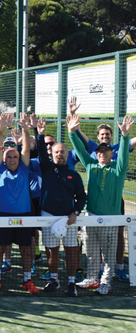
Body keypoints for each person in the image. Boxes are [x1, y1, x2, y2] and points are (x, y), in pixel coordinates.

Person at [68, 113, 131, 295]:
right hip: (90, 217)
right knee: (92, 251)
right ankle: (92, 278)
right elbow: (80, 150)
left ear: (112, 153)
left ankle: (106, 283)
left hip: (110, 220)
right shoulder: (91, 165)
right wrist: (72, 132)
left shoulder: (118, 169)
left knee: (109, 254)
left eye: (105, 151)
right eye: (99, 151)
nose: (102, 153)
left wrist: (125, 136)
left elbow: (125, 154)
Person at [35, 118, 86, 296]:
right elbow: (41, 151)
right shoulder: (46, 168)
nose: (59, 154)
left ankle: (71, 282)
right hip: (48, 216)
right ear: (52, 154)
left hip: (68, 219)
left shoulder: (74, 175)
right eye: (56, 152)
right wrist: (39, 134)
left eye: (62, 152)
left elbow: (81, 196)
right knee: (51, 251)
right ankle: (54, 280)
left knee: (72, 251)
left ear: (66, 154)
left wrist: (76, 213)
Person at [0, 113, 38, 294]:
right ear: (3, 159)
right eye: (8, 157)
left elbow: (25, 149)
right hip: (1, 215)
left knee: (26, 249)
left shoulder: (24, 169)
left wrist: (25, 128)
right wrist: (0, 128)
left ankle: (27, 280)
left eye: (14, 157)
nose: (11, 159)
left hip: (24, 215)